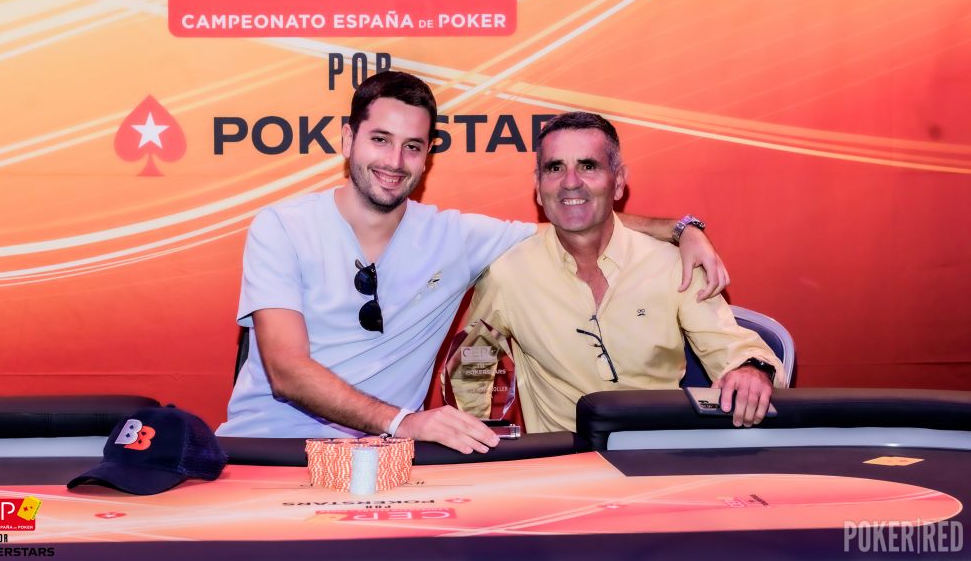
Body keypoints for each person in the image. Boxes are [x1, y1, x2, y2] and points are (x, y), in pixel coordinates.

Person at [217, 72, 728, 453]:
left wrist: (683, 229)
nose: (394, 162)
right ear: (349, 140)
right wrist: (403, 422)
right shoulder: (281, 226)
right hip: (269, 449)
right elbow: (286, 370)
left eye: (412, 146)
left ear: (428, 156)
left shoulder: (456, 237)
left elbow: (578, 216)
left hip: (387, 462)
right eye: (380, 140)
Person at [453, 111, 784, 434]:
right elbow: (469, 371)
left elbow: (734, 349)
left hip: (658, 455)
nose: (571, 182)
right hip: (562, 461)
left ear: (619, 182)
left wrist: (751, 371)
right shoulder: (507, 274)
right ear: (538, 186)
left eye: (588, 166)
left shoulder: (674, 265)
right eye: (555, 168)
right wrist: (477, 438)